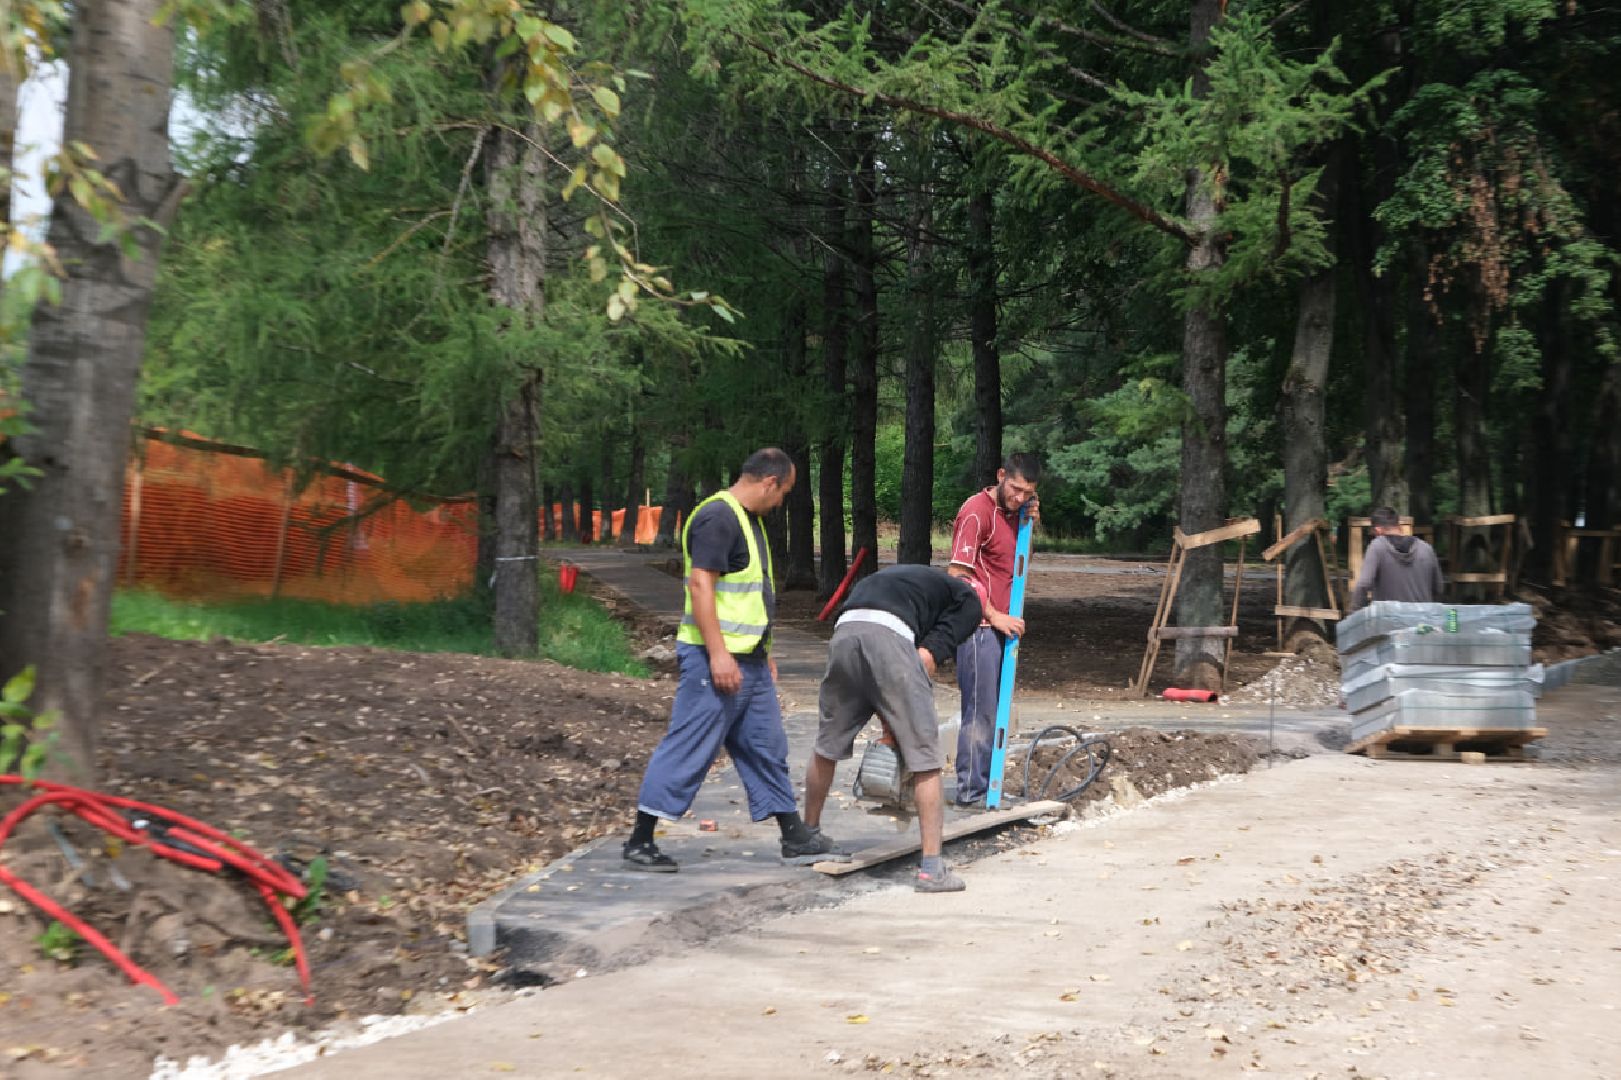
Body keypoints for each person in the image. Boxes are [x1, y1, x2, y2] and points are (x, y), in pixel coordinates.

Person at [623, 448, 847, 872]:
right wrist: (718, 653)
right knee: (689, 746)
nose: (782, 502)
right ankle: (640, 840)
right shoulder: (718, 517)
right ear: (768, 483)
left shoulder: (749, 520)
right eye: (784, 493)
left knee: (766, 747)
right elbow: (700, 586)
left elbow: (749, 595)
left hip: (751, 663)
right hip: (715, 660)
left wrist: (764, 654)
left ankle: (793, 835)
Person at [802, 564, 984, 892]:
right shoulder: (968, 596)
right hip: (889, 638)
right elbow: (924, 658)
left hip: (844, 632)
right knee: (926, 758)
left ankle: (807, 836)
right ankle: (932, 869)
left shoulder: (904, 580)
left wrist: (890, 722)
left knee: (826, 745)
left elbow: (874, 673)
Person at [946, 453, 1040, 808]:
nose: (1019, 498)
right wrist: (994, 615)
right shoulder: (976, 511)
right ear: (1001, 476)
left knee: (996, 709)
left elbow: (1016, 564)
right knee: (980, 710)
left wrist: (1031, 523)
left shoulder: (1018, 514)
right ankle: (971, 791)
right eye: (1014, 489)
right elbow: (958, 575)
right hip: (978, 627)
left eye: (1027, 493)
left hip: (1003, 625)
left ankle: (989, 786)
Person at [1349, 506, 1444, 609]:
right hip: (1422, 620)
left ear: (1378, 530)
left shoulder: (1378, 547)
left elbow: (1363, 584)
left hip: (1389, 620)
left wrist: (1355, 614)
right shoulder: (1426, 548)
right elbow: (1438, 588)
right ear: (1399, 527)